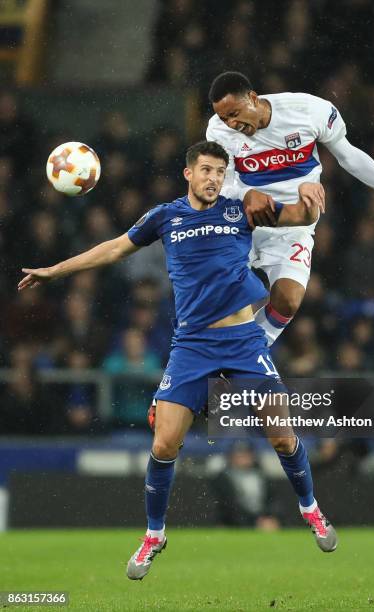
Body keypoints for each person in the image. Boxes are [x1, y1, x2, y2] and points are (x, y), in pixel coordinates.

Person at [18, 141, 336, 582]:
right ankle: (154, 534)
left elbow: (302, 217)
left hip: (243, 340)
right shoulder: (165, 217)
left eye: (219, 172)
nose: (213, 178)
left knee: (282, 437)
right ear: (188, 173)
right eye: (205, 170)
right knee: (165, 444)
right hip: (191, 347)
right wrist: (56, 270)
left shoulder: (240, 209)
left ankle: (310, 508)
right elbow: (112, 249)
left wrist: (310, 194)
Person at [206, 71, 374, 346]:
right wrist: (248, 195)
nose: (232, 123)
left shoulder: (309, 111)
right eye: (225, 118)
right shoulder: (217, 130)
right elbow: (223, 182)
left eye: (235, 113)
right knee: (219, 300)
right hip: (245, 220)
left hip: (294, 221)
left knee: (288, 301)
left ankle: (240, 356)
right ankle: (215, 359)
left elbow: (349, 157)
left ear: (253, 98)